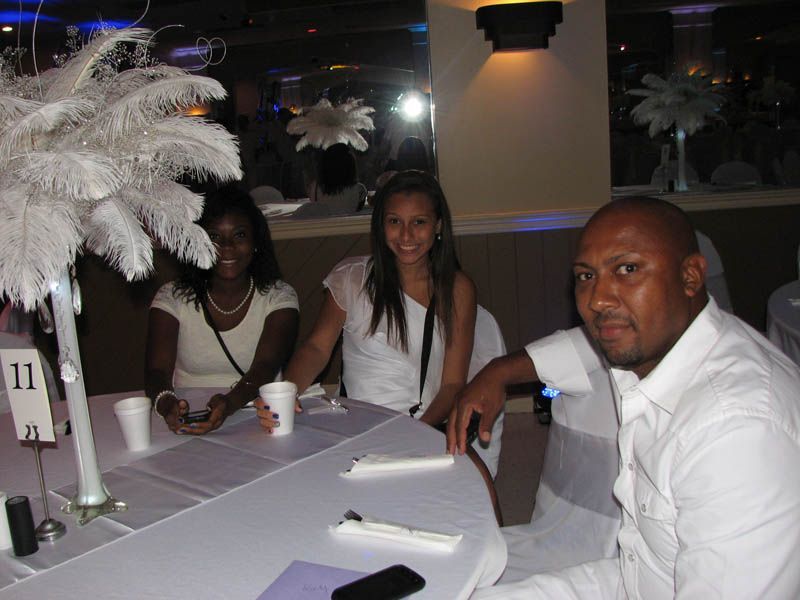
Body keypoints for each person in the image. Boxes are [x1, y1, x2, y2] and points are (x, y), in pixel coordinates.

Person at [449, 196, 800, 598]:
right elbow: (641, 576)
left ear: (691, 276)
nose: (598, 299)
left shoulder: (737, 433)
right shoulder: (654, 367)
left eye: (627, 269)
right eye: (585, 276)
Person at [257, 171, 503, 514]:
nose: (406, 235)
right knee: (286, 490)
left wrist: (413, 436)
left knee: (485, 498)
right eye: (394, 221)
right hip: (356, 426)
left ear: (438, 226)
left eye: (418, 222)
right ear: (380, 225)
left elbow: (451, 386)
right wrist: (287, 393)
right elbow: (316, 349)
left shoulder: (456, 289)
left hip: (428, 422)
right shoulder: (352, 278)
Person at [145, 187, 299, 435]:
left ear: (256, 242)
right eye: (215, 237)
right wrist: (166, 403)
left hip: (259, 416)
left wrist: (229, 405)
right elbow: (156, 371)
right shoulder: (172, 297)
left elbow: (266, 366)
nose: (227, 246)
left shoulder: (279, 296)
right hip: (185, 416)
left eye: (239, 235)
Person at [294, 143, 367, 218]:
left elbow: (316, 209)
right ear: (351, 166)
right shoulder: (360, 190)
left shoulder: (316, 187)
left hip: (323, 228)